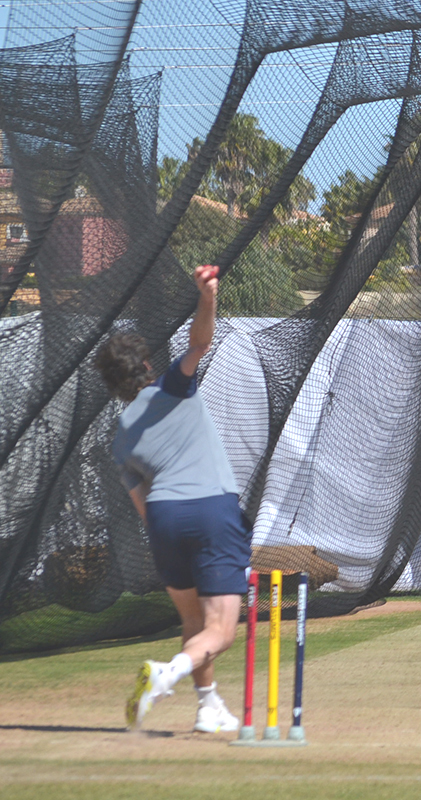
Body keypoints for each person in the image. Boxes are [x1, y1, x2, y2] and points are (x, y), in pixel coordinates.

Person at [94, 264, 247, 733]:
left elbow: (142, 508)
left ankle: (208, 708)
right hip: (210, 508)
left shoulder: (120, 437)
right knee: (221, 630)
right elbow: (200, 343)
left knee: (194, 622)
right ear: (146, 366)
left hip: (163, 520)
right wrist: (207, 296)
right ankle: (166, 675)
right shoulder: (171, 389)